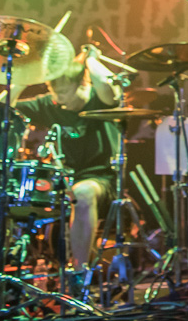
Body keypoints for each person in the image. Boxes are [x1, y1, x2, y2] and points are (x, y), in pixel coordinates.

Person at [10, 44, 122, 274]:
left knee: (82, 193)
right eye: (54, 93)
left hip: (102, 179)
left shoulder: (98, 98)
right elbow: (2, 108)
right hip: (63, 180)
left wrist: (91, 60)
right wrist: (21, 81)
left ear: (82, 84)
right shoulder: (49, 103)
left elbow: (111, 91)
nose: (59, 100)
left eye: (63, 93)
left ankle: (79, 274)